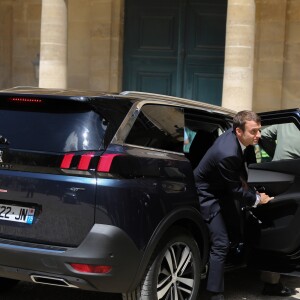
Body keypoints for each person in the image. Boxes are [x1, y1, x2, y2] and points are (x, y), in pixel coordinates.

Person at [194, 110, 274, 300]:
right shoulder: (228, 152)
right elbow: (235, 190)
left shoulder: (235, 139)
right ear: (238, 131)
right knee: (220, 243)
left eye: (259, 130)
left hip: (221, 189)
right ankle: (215, 294)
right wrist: (257, 199)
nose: (259, 136)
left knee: (235, 230)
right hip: (207, 195)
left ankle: (237, 258)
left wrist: (252, 191)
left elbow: (236, 179)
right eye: (254, 132)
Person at [257, 122, 300, 297]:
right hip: (294, 178)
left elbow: (262, 135)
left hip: (275, 176)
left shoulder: (287, 122)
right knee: (286, 229)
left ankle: (272, 278)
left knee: (275, 226)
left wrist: (275, 153)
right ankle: (272, 283)